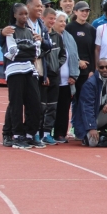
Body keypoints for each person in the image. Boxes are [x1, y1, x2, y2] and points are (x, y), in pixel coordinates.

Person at [2, 3, 43, 149]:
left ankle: (30, 134)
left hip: (30, 70)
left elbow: (37, 52)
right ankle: (17, 135)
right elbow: (12, 52)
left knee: (34, 103)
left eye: (26, 14)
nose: (24, 17)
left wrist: (26, 50)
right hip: (14, 71)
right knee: (16, 104)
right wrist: (29, 49)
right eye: (21, 14)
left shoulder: (30, 31)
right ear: (14, 15)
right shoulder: (10, 30)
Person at [75, 58, 107, 147]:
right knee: (93, 143)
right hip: (88, 121)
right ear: (97, 68)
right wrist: (91, 127)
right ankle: (89, 136)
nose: (105, 70)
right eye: (102, 67)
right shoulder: (90, 83)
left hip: (102, 116)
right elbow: (86, 107)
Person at [65, 1, 96, 136]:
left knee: (84, 101)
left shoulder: (91, 29)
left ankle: (79, 129)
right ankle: (62, 128)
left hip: (87, 72)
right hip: (72, 70)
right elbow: (67, 48)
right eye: (82, 10)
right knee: (71, 100)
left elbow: (94, 51)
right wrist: (77, 61)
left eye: (87, 11)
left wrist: (92, 70)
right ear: (75, 12)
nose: (85, 13)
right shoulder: (69, 28)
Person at [37, 8, 66, 145]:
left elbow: (63, 55)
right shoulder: (40, 36)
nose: (52, 21)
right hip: (43, 77)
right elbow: (39, 56)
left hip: (55, 77)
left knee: (52, 106)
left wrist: (56, 66)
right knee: (41, 106)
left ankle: (47, 133)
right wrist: (46, 72)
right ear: (43, 18)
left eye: (54, 19)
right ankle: (37, 132)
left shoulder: (57, 37)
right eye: (50, 18)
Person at [52, 11, 79, 143]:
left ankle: (60, 133)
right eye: (60, 21)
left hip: (67, 81)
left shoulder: (69, 37)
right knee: (50, 107)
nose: (63, 23)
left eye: (64, 21)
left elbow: (75, 57)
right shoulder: (49, 36)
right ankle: (45, 132)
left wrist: (74, 75)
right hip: (52, 80)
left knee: (64, 108)